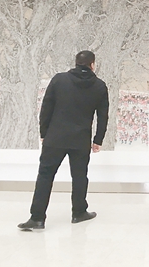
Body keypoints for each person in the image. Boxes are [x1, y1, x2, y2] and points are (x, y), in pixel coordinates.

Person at [18, 50, 109, 231]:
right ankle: (79, 212)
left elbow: (46, 107)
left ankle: (37, 218)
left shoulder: (59, 80)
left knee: (45, 176)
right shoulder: (99, 86)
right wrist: (98, 139)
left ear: (76, 63)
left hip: (55, 137)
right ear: (92, 65)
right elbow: (103, 116)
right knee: (80, 176)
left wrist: (44, 132)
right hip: (80, 139)